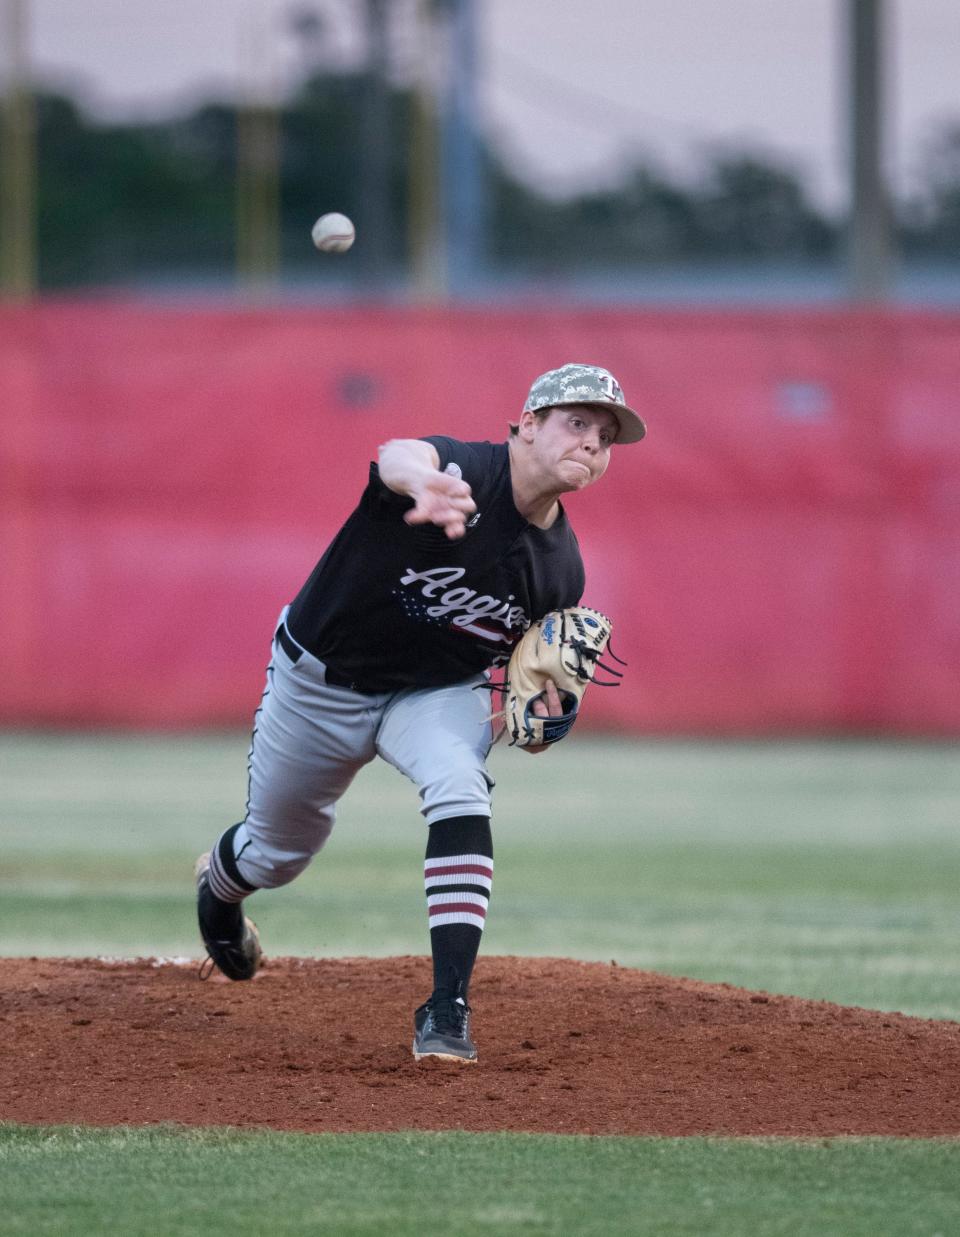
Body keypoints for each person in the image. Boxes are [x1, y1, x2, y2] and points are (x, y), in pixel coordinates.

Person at [195, 362, 646, 1063]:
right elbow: (399, 453)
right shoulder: (464, 470)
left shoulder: (562, 572)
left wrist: (543, 720)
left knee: (461, 788)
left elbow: (524, 693)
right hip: (323, 681)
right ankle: (219, 892)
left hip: (432, 692)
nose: (592, 442)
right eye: (577, 422)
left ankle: (447, 1010)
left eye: (606, 435)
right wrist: (420, 482)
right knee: (279, 852)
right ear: (527, 425)